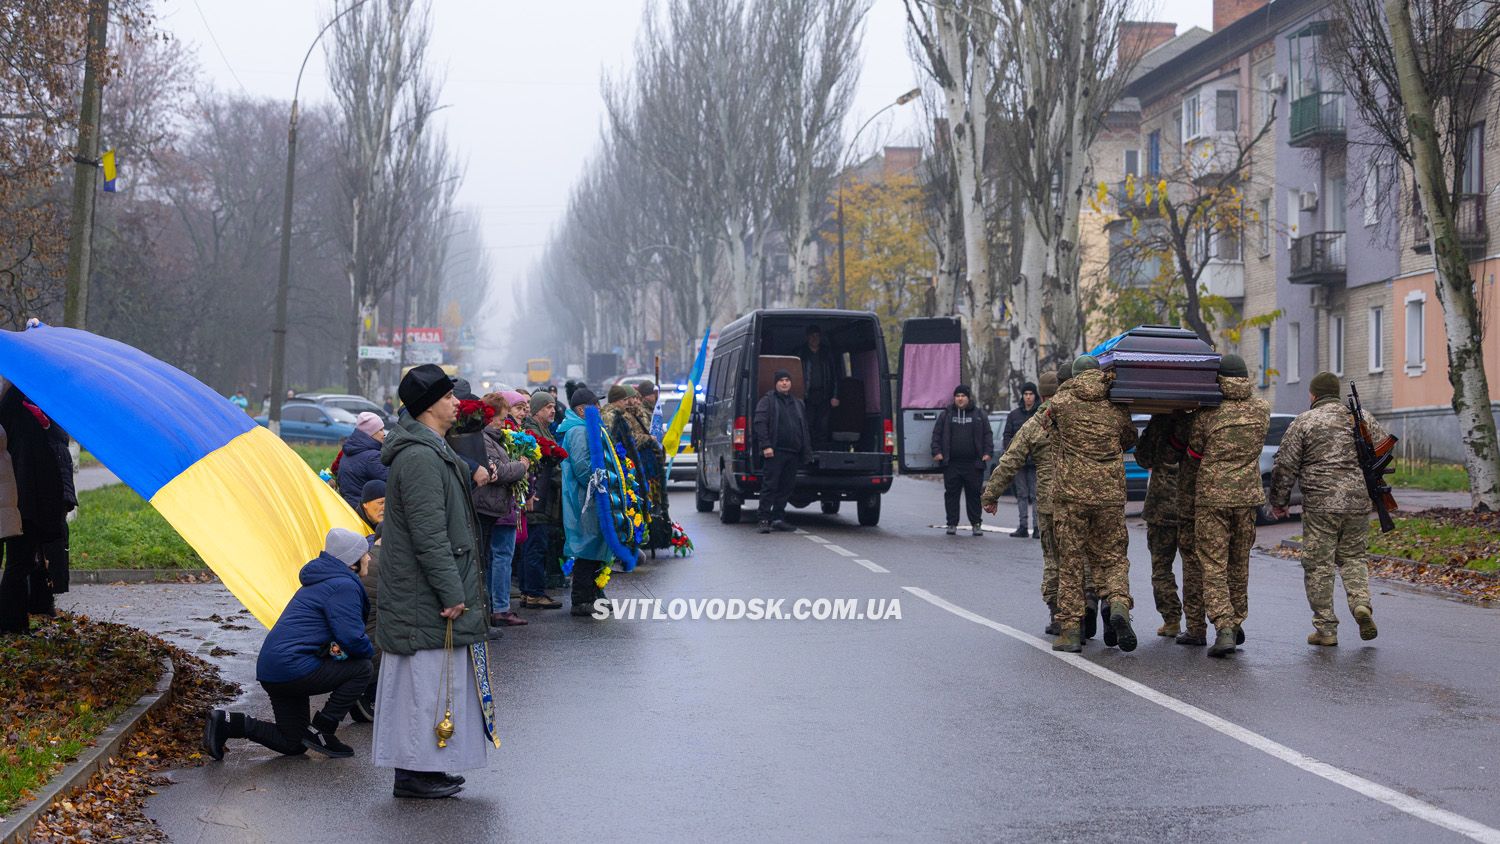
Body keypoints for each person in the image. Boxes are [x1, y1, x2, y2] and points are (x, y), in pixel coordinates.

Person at [373, 364, 491, 799]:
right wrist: (452, 592)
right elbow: (429, 535)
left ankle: (427, 766)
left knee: (431, 685)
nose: (456, 402)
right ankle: (413, 773)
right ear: (426, 408)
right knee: (421, 686)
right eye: (447, 398)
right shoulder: (421, 457)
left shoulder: (432, 449)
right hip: (426, 596)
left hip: (427, 593)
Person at [203, 528, 374, 760]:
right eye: (365, 554)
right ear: (353, 562)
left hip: (275, 669)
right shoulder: (343, 586)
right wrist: (371, 651)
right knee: (363, 666)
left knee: (293, 742)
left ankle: (229, 723)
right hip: (295, 668)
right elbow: (352, 638)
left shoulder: (321, 581)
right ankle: (323, 728)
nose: (369, 558)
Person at [1270, 371, 1390, 647]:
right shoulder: (1359, 418)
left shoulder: (1305, 422)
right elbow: (1383, 452)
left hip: (1320, 504)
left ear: (1313, 395)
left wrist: (1279, 502)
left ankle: (1326, 628)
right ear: (1335, 394)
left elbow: (1285, 466)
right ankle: (1361, 604)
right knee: (1353, 557)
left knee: (1319, 564)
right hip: (1358, 500)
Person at [1046, 355, 1138, 653]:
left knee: (1072, 563)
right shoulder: (1116, 404)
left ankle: (1071, 632)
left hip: (1072, 496)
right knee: (1112, 558)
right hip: (1110, 495)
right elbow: (1129, 439)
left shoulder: (1061, 404)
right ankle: (1119, 604)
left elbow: (1051, 433)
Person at [1187, 354, 1270, 657]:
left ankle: (1223, 625)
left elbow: (1195, 451)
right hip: (1247, 497)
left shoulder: (1209, 412)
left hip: (1213, 497)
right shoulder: (1262, 409)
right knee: (1239, 564)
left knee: (1213, 565)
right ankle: (1235, 620)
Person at [983, 370, 1065, 630]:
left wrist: (991, 494)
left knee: (1054, 560)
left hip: (1050, 502)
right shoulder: (1082, 416)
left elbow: (1010, 460)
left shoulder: (1036, 423)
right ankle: (1094, 608)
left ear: (1041, 395)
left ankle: (1058, 615)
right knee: (1083, 558)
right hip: (1083, 500)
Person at [0, 388, 70, 634]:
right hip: (24, 500)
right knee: (19, 564)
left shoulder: (28, 402)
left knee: (25, 562)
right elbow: (24, 459)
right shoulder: (17, 403)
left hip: (29, 500)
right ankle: (11, 626)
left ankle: (19, 621)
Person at [476, 394, 530, 628]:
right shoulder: (484, 439)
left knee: (494, 556)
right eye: (501, 416)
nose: (503, 420)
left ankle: (495, 607)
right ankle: (498, 608)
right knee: (497, 557)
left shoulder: (496, 437)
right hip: (489, 505)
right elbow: (497, 471)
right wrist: (522, 466)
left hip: (497, 505)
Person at [558, 388, 610, 616]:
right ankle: (581, 599)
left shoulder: (585, 427)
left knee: (595, 545)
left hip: (590, 496)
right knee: (587, 546)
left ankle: (594, 593)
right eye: (594, 405)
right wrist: (601, 482)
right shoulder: (578, 431)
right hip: (585, 498)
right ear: (581, 410)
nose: (599, 409)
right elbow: (582, 467)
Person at [1134, 414, 1186, 638]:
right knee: (1196, 569)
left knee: (1161, 568)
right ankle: (1197, 623)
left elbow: (1143, 458)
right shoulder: (1201, 419)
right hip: (1191, 504)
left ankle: (1172, 620)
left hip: (1161, 505)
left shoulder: (1160, 421)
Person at [752, 369, 812, 534]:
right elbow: (760, 423)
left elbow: (803, 428)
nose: (785, 383)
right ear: (776, 383)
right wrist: (766, 445)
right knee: (769, 486)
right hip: (774, 452)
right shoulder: (768, 401)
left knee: (786, 487)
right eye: (781, 380)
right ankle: (764, 519)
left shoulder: (797, 403)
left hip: (793, 453)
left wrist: (805, 450)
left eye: (787, 380)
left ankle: (778, 518)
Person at [520, 392, 565, 609]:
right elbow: (539, 466)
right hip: (537, 498)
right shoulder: (532, 432)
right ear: (537, 410)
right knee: (535, 547)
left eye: (553, 406)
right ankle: (534, 593)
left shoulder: (543, 429)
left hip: (544, 498)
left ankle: (528, 591)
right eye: (548, 406)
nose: (552, 410)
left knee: (534, 546)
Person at [931, 385, 994, 536]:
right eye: (957, 396)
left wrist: (987, 452)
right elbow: (937, 434)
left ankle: (976, 524)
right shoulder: (947, 414)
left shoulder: (979, 414)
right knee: (951, 494)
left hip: (973, 464)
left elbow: (987, 434)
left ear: (968, 398)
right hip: (952, 463)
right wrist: (937, 452)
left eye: (963, 396)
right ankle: (952, 523)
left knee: (973, 495)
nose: (960, 398)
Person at [1001, 382, 1039, 537]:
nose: (1028, 397)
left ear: (1035, 396)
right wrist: (1011, 452)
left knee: (1036, 496)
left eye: (1031, 394)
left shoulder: (1040, 414)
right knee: (1022, 494)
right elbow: (1007, 436)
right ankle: (1023, 526)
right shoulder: (1014, 415)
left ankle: (1037, 527)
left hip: (1036, 461)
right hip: (1020, 461)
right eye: (1026, 394)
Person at [795, 325, 840, 449]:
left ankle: (821, 451)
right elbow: (794, 374)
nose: (814, 338)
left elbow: (836, 375)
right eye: (812, 336)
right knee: (807, 424)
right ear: (807, 337)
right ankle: (809, 450)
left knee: (823, 425)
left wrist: (835, 396)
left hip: (825, 395)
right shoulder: (801, 353)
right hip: (806, 396)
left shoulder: (827, 353)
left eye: (817, 336)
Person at [338, 412, 389, 508]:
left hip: (350, 507)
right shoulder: (372, 457)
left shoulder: (347, 452)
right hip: (367, 511)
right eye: (380, 430)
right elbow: (391, 480)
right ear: (371, 433)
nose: (384, 434)